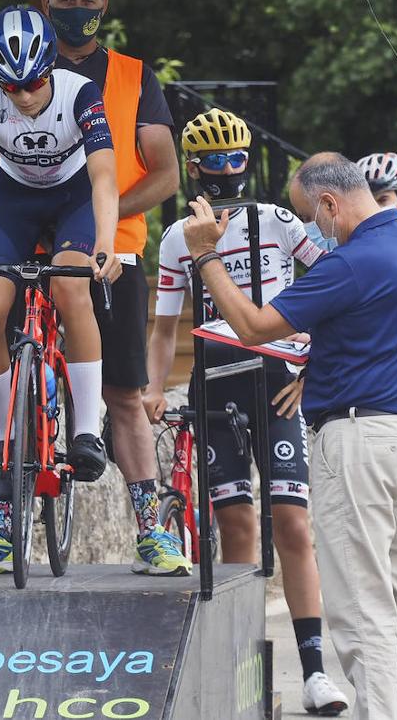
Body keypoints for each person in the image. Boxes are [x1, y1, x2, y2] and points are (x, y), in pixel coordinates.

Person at [181, 152, 397, 718]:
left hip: (361, 443)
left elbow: (252, 326)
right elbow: (380, 332)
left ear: (331, 204)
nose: (309, 229)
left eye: (310, 216)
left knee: (362, 606)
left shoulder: (349, 265)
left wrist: (206, 254)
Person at [143, 110, 348, 716]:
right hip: (216, 384)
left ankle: (314, 672)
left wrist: (316, 367)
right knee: (236, 526)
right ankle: (242, 668)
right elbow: (162, 329)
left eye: (237, 158)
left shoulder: (280, 222)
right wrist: (155, 388)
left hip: (279, 382)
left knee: (291, 522)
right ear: (192, 167)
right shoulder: (178, 238)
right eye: (215, 160)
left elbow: (339, 285)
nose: (229, 170)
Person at [0, 6, 120, 574]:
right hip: (14, 201)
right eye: (13, 86)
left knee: (71, 292)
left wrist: (105, 246)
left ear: (50, 67)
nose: (25, 95)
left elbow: (105, 177)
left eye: (35, 81)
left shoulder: (80, 91)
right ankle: (3, 441)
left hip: (73, 202)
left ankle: (87, 429)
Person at [39, 0, 190, 575]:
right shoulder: (27, 68)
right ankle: (8, 509)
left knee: (126, 396)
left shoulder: (132, 76)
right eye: (66, 3)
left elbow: (166, 173)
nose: (78, 13)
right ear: (48, 6)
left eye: (88, 1)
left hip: (116, 250)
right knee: (14, 351)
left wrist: (102, 209)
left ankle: (151, 530)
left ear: (105, 4)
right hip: (40, 242)